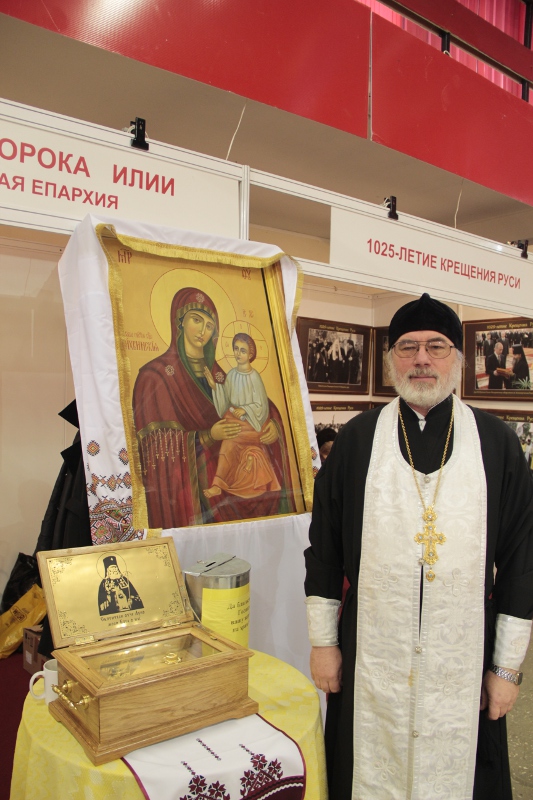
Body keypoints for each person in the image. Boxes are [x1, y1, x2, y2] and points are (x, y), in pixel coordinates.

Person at [304, 292, 533, 800]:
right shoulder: (357, 441)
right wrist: (323, 645)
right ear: (391, 360)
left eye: (436, 346)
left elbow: (522, 561)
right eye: (408, 347)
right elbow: (324, 551)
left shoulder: (497, 444)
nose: (422, 359)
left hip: (464, 660)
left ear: (457, 358)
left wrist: (505, 669)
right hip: (370, 656)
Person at [132, 287, 295, 529]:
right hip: (196, 495)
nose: (202, 331)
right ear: (179, 321)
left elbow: (257, 403)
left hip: (238, 473)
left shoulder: (221, 375)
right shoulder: (156, 376)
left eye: (209, 325)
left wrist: (273, 424)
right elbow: (154, 449)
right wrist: (207, 436)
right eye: (196, 320)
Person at [202, 332, 281, 500]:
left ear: (250, 354)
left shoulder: (255, 377)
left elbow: (261, 406)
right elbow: (226, 400)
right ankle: (242, 465)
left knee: (229, 440)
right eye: (236, 349)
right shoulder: (231, 374)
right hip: (237, 420)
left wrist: (245, 410)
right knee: (229, 434)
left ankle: (218, 485)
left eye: (243, 350)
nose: (238, 353)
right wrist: (214, 386)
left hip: (254, 424)